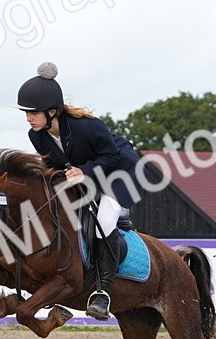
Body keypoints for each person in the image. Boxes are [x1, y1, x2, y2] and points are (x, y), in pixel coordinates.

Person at [15, 62, 140, 320]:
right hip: (86, 175)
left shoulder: (87, 126)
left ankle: (102, 293)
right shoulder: (37, 135)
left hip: (120, 173)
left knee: (103, 221)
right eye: (26, 113)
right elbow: (53, 165)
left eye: (33, 113)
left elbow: (112, 156)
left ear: (52, 111)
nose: (28, 118)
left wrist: (84, 171)